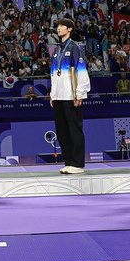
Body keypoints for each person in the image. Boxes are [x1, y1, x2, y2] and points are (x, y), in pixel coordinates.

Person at [48, 17, 88, 174]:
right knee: (62, 130)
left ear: (69, 29)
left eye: (62, 26)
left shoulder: (75, 47)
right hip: (59, 95)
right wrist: (52, 94)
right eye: (58, 26)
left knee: (74, 129)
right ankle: (69, 161)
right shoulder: (58, 49)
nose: (59, 28)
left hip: (71, 95)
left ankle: (78, 164)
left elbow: (81, 70)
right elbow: (53, 74)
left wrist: (80, 93)